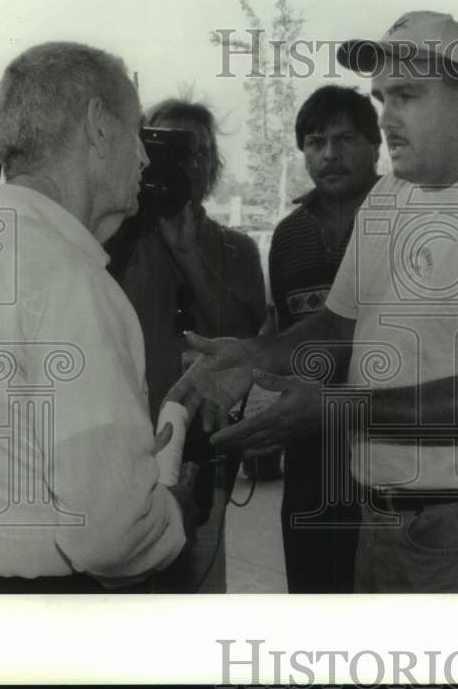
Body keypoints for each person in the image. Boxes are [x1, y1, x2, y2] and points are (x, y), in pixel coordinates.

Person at [172, 11, 458, 593]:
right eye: (382, 97)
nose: (386, 118)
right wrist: (252, 353)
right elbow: (339, 327)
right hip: (383, 518)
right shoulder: (389, 195)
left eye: (407, 96)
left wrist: (334, 409)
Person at [0, 41, 194, 592]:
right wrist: (172, 506)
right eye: (135, 134)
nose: (145, 159)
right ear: (99, 128)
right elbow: (109, 534)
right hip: (38, 609)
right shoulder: (71, 285)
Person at [108, 98, 266, 592]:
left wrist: (187, 252)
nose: (183, 165)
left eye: (194, 152)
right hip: (125, 444)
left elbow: (242, 330)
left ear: (212, 164)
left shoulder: (235, 247)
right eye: (165, 149)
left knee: (197, 581)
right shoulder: (116, 238)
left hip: (202, 450)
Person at [270, 85, 381, 593]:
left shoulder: (404, 220)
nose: (330, 155)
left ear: (376, 144)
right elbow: (284, 335)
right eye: (315, 142)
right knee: (312, 596)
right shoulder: (288, 234)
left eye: (345, 139)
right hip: (310, 454)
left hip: (385, 445)